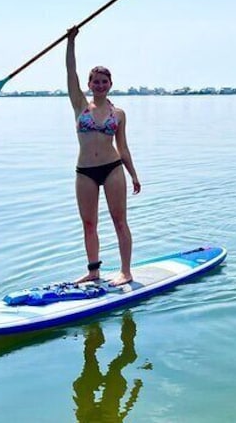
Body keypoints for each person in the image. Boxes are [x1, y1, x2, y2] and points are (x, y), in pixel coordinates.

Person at [67, 27, 141, 286]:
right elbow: (70, 73)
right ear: (89, 85)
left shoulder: (118, 113)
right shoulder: (80, 104)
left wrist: (133, 174)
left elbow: (123, 146)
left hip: (112, 168)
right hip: (85, 170)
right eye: (95, 81)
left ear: (110, 85)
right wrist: (70, 42)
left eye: (104, 81)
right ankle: (93, 271)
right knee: (88, 223)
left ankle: (126, 271)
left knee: (119, 221)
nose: (99, 85)